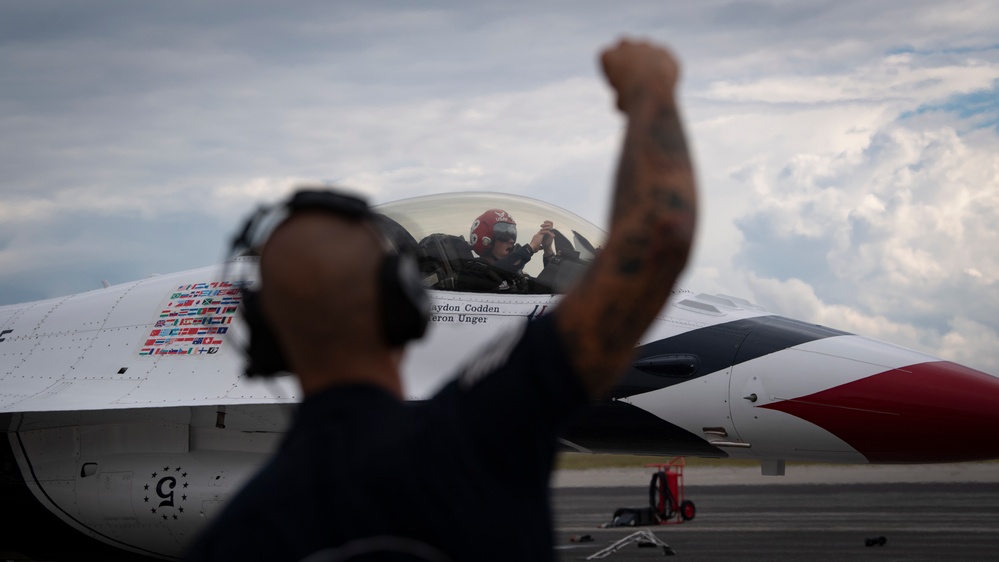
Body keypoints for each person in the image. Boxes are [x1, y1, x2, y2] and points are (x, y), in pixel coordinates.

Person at [185, 38, 696, 562]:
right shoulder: (481, 430)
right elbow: (658, 240)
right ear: (402, 300)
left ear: (265, 333)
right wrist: (649, 87)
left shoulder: (236, 534)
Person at [469, 208, 555, 274]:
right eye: (504, 235)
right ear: (486, 240)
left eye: (513, 235)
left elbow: (549, 286)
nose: (511, 241)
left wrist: (548, 250)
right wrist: (530, 248)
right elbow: (494, 274)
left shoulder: (515, 276)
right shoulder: (473, 271)